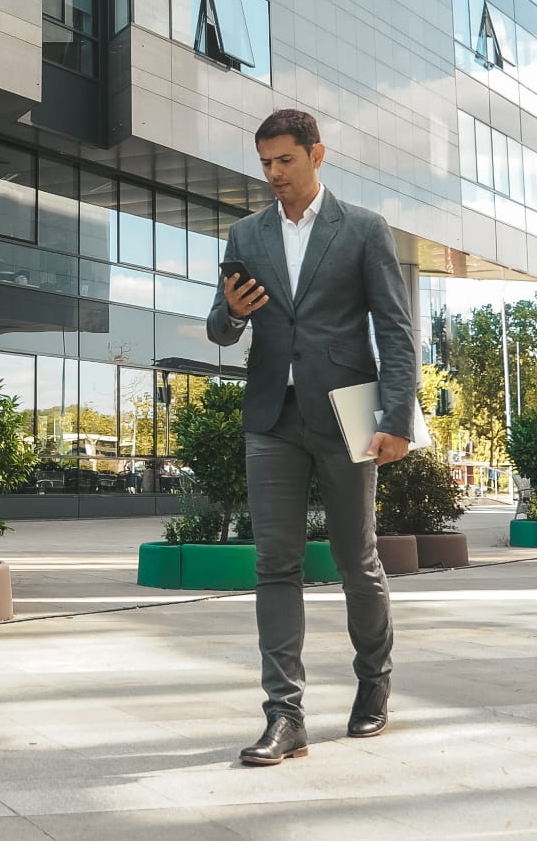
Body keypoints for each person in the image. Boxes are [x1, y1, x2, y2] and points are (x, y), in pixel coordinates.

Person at [205, 108, 418, 766]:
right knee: (276, 564)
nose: (273, 174)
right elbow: (220, 326)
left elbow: (396, 329)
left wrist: (397, 419)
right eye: (264, 162)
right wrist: (230, 315)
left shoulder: (362, 230)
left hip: (348, 412)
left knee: (357, 560)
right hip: (272, 416)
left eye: (284, 161)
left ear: (316, 155)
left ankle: (373, 683)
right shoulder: (246, 234)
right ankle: (284, 716)